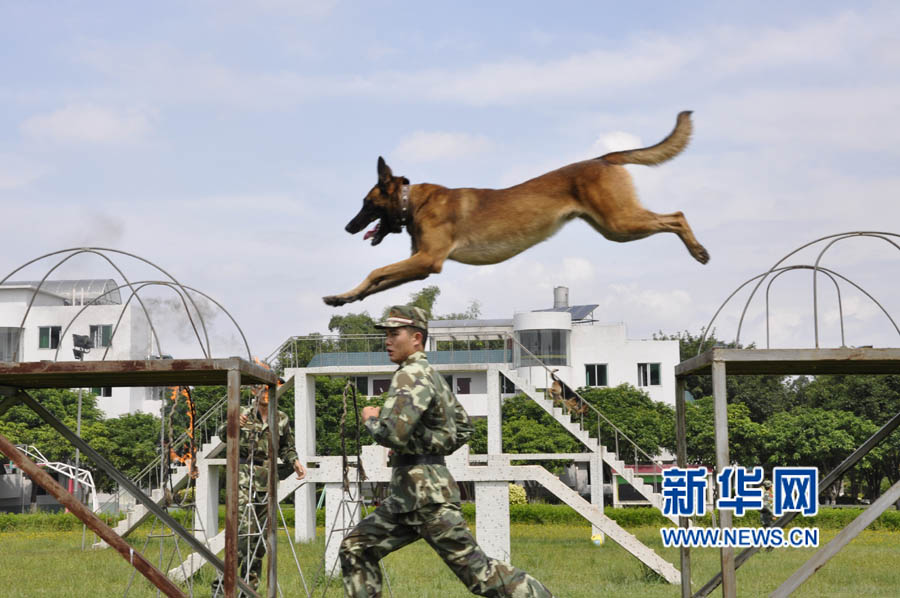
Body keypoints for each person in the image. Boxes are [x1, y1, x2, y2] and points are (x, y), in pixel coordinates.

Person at [339, 305, 555, 598]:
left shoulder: (411, 375)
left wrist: (370, 418)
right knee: (356, 547)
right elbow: (463, 428)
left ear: (416, 338)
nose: (387, 340)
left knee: (481, 576)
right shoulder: (432, 376)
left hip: (427, 500)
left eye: (394, 334)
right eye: (386, 334)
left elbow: (391, 433)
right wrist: (424, 442)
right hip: (408, 498)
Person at [213, 385, 306, 596]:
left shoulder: (281, 417)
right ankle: (220, 587)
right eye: (262, 388)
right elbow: (222, 435)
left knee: (261, 541)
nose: (266, 392)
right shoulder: (243, 413)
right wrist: (234, 424)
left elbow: (286, 446)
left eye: (269, 388)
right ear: (255, 391)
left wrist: (295, 461)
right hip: (243, 476)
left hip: (269, 478)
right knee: (243, 536)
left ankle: (249, 591)